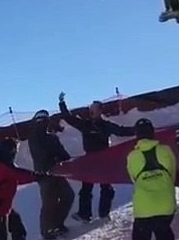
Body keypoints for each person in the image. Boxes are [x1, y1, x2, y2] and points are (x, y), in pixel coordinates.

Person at [119, 118, 179, 240]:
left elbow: (134, 179)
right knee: (165, 233)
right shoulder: (165, 150)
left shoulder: (132, 156)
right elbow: (172, 174)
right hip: (165, 203)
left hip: (144, 207)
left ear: (137, 136)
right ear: (152, 132)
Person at [57, 91, 136, 222]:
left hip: (104, 159)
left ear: (100, 111)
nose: (90, 111)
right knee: (86, 188)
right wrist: (62, 103)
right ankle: (84, 214)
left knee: (107, 187)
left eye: (93, 109)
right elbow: (69, 118)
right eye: (90, 109)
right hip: (89, 160)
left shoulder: (106, 125)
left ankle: (104, 213)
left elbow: (122, 131)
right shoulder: (85, 124)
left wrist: (139, 129)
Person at [27, 109, 75, 239]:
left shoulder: (48, 137)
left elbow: (63, 154)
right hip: (45, 174)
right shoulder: (36, 139)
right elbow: (47, 154)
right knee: (50, 202)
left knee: (67, 196)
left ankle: (56, 224)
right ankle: (47, 230)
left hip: (56, 172)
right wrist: (58, 157)